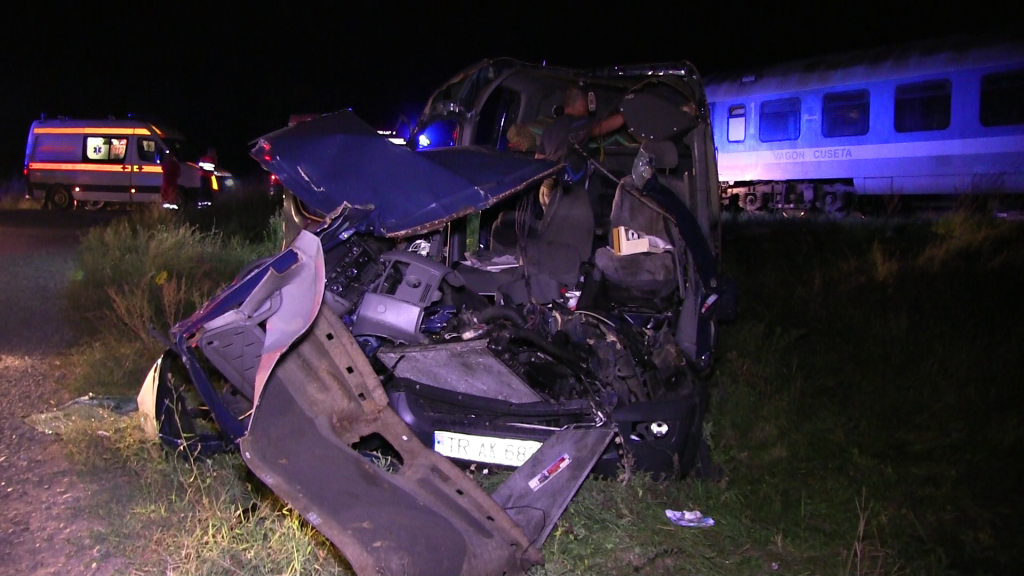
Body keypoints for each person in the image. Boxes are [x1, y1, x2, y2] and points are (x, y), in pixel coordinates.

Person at [535, 86, 624, 162]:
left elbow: (538, 158)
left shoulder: (549, 128)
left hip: (551, 174)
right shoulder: (579, 123)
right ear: (582, 104)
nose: (587, 111)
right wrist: (626, 113)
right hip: (569, 174)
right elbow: (603, 127)